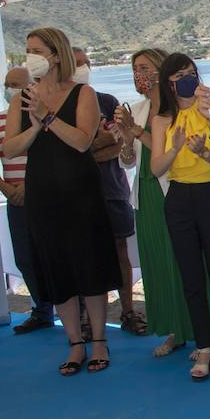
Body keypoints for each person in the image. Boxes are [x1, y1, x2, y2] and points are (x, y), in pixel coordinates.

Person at [3, 27, 121, 375]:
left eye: (36, 50)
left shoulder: (83, 93)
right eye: (27, 50)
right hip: (42, 192)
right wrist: (36, 124)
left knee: (89, 264)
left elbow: (83, 141)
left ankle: (99, 340)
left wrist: (49, 117)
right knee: (56, 267)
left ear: (55, 54)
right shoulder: (21, 99)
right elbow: (9, 148)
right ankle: (74, 343)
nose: (30, 56)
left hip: (81, 192)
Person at [114, 48, 210, 357]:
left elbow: (173, 151)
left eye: (144, 67)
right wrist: (127, 139)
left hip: (174, 188)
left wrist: (137, 132)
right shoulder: (138, 109)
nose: (138, 74)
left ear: (162, 71)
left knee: (185, 262)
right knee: (158, 261)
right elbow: (128, 159)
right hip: (145, 191)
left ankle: (204, 331)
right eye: (135, 68)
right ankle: (174, 329)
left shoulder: (181, 109)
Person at [149, 54, 210, 381]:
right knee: (191, 280)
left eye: (191, 73)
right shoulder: (161, 120)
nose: (187, 79)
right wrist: (174, 149)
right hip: (179, 199)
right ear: (168, 82)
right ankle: (203, 347)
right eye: (180, 75)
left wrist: (203, 151)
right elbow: (156, 167)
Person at [72, 48, 143, 335]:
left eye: (84, 63)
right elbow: (68, 151)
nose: (80, 68)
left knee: (119, 253)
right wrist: (92, 144)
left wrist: (89, 146)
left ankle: (128, 312)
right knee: (84, 255)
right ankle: (88, 320)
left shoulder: (107, 101)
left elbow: (119, 146)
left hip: (112, 190)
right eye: (75, 63)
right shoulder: (58, 106)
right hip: (76, 195)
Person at [0, 66, 55, 334]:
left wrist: (30, 185)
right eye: (8, 84)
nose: (11, 89)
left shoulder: (48, 118)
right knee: (25, 258)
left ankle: (76, 310)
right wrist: (4, 187)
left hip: (47, 199)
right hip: (16, 202)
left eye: (17, 84)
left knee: (56, 255)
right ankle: (43, 309)